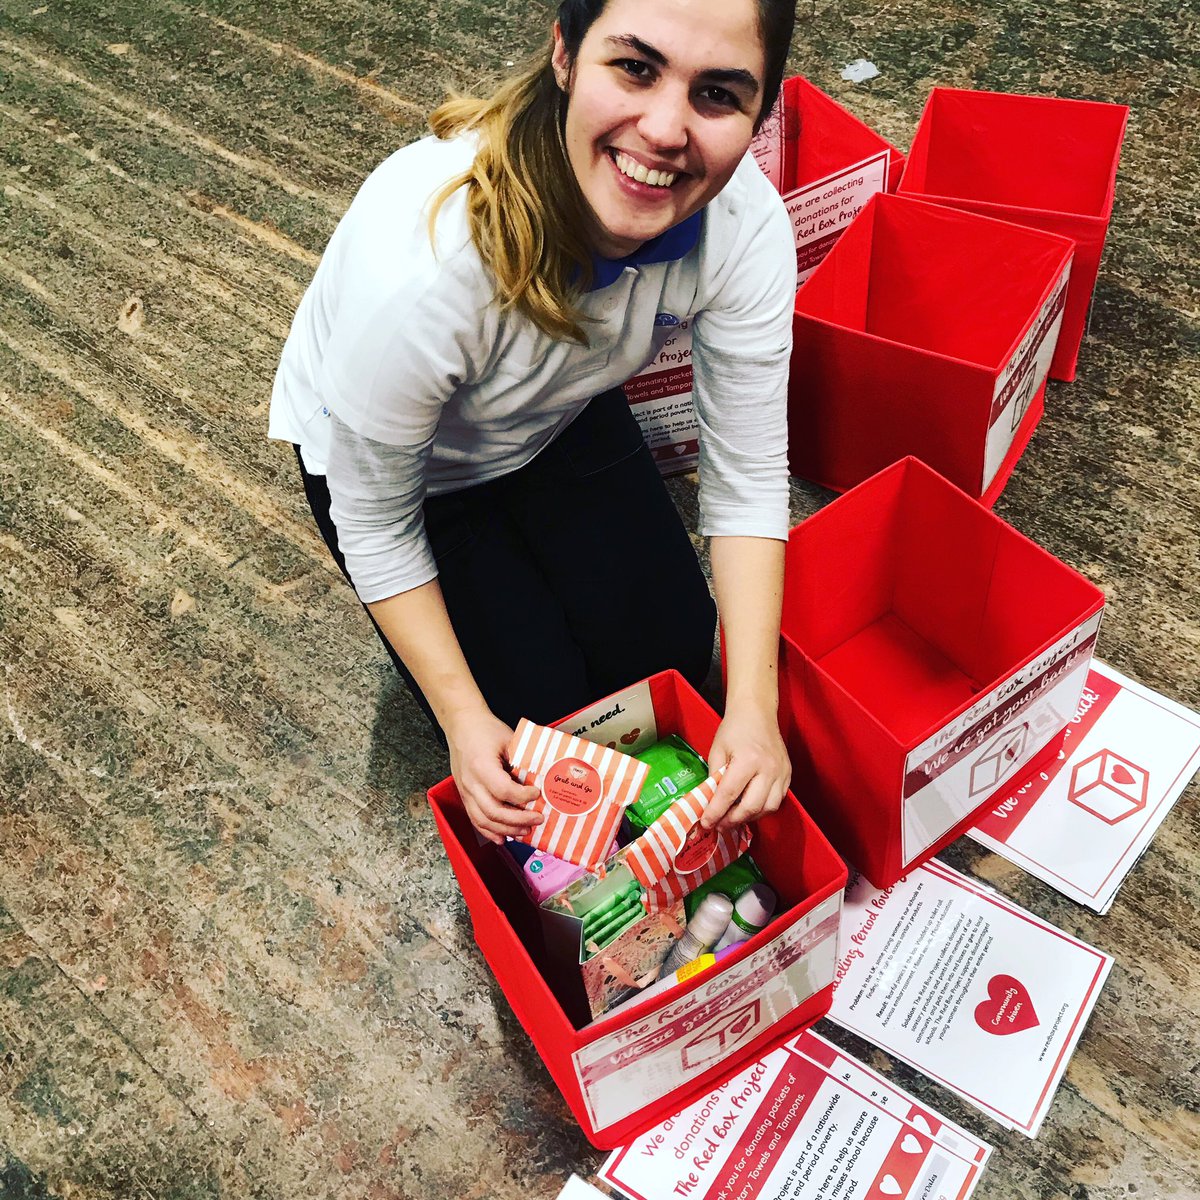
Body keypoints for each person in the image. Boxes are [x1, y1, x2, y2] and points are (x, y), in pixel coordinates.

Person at [270, 0, 798, 846]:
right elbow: (370, 517)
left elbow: (747, 477)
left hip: (554, 414)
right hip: (415, 476)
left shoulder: (743, 229)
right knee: (542, 744)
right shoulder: (427, 269)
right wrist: (461, 719)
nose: (665, 130)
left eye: (718, 94)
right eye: (635, 67)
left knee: (671, 655)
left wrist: (753, 708)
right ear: (564, 54)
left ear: (759, 114)